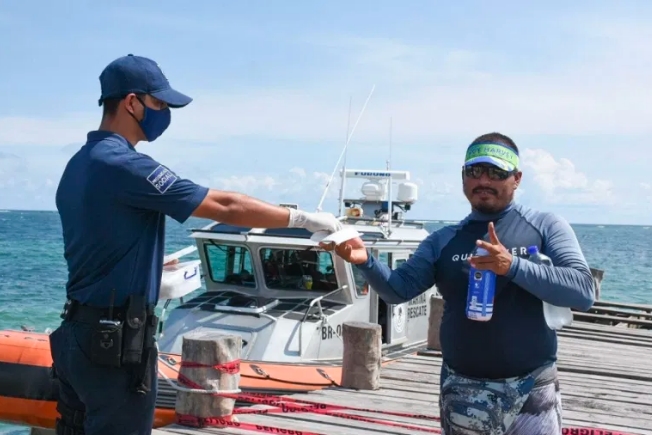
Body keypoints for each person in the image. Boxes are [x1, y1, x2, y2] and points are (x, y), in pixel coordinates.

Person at [50, 54, 342, 435]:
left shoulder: (78, 164)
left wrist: (151, 272)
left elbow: (100, 243)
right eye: (159, 103)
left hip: (76, 335)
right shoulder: (125, 165)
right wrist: (302, 220)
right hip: (113, 346)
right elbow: (224, 205)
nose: (165, 113)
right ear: (132, 102)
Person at [323, 132, 595, 435]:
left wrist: (512, 266)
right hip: (463, 390)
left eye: (496, 172)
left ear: (516, 178)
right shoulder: (443, 240)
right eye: (474, 171)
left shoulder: (545, 226)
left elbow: (583, 291)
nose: (484, 180)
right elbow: (398, 290)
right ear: (463, 178)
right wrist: (365, 261)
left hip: (532, 387)